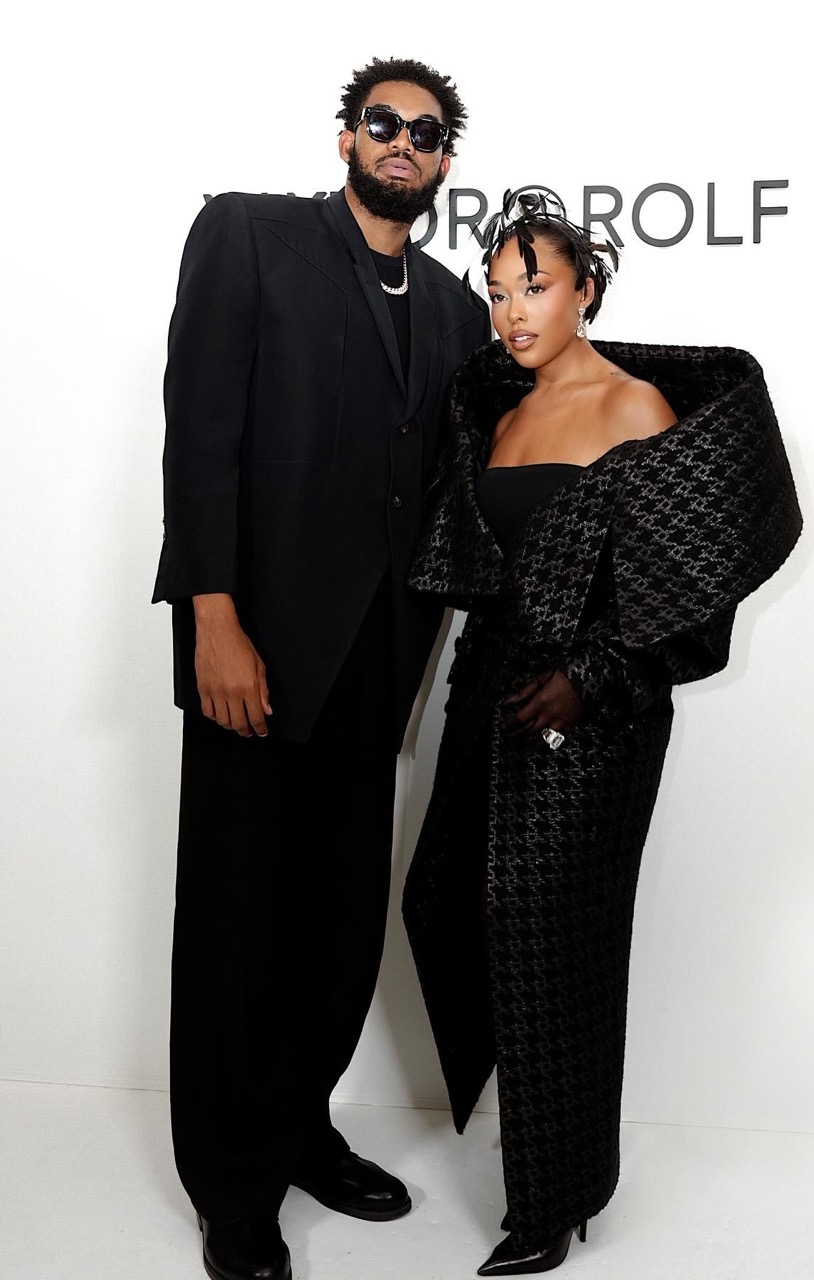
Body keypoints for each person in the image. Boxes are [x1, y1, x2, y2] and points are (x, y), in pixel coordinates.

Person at [402, 191, 803, 1276]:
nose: (513, 311)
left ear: (586, 289)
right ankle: (534, 1116)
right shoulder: (496, 416)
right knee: (442, 897)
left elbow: (691, 592)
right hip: (489, 695)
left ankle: (553, 1200)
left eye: (534, 286)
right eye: (497, 293)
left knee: (554, 940)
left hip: (595, 719)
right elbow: (476, 573)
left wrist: (590, 677)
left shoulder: (639, 406)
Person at [152, 57, 490, 1280]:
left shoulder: (452, 307)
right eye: (383, 122)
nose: (403, 142)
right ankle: (232, 1182)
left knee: (339, 922)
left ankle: (299, 1126)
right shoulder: (250, 237)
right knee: (239, 918)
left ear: (444, 161)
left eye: (426, 133)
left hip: (379, 656)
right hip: (254, 643)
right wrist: (213, 615)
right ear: (347, 137)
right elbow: (201, 431)